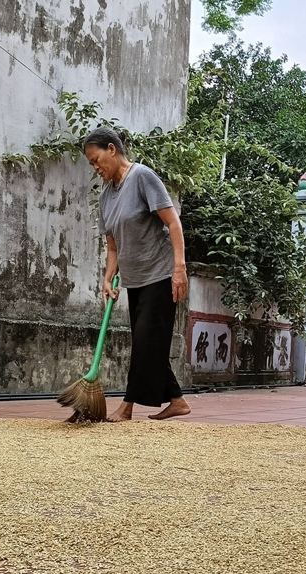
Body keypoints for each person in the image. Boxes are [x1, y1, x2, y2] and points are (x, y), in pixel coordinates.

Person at [82, 126, 191, 421]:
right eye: (91, 163)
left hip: (160, 273)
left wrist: (179, 268)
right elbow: (113, 246)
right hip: (134, 279)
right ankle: (178, 401)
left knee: (145, 342)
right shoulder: (106, 197)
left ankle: (126, 407)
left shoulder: (142, 177)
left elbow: (173, 223)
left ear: (112, 149)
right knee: (149, 342)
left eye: (96, 159)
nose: (95, 167)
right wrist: (107, 278)